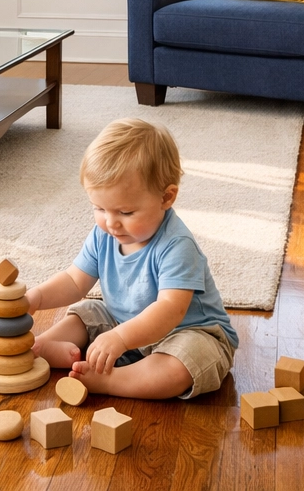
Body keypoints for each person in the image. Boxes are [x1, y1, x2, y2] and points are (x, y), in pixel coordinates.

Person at [24, 117, 237, 399]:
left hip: (187, 333)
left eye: (125, 212)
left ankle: (112, 381)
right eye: (99, 208)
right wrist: (37, 297)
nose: (111, 223)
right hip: (123, 327)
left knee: (183, 363)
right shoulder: (105, 235)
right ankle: (38, 348)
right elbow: (75, 282)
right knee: (88, 312)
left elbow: (169, 311)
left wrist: (120, 338)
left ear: (166, 197)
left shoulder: (177, 245)